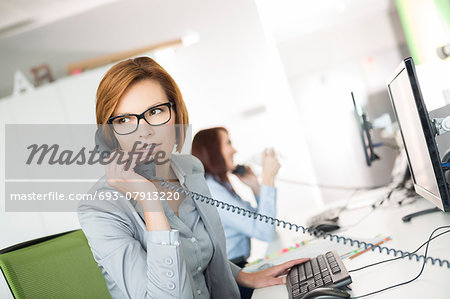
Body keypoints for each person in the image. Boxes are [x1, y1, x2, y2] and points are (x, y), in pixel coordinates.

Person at [77, 57, 307, 299]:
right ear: (109, 135)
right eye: (124, 120)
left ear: (176, 112)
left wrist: (244, 276)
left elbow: (197, 253)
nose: (143, 131)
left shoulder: (191, 169)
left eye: (155, 111)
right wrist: (150, 201)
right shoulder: (100, 209)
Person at [191, 128, 280, 261]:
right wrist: (268, 178)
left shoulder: (219, 186)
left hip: (238, 265)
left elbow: (262, 222)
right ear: (213, 151)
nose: (234, 150)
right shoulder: (211, 193)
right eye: (228, 143)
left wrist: (256, 187)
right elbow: (265, 232)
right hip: (233, 271)